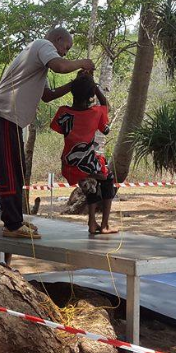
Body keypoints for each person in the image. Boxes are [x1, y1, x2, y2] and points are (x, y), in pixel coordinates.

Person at [0, 27, 95, 239]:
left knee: (16, 168)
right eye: (66, 47)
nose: (64, 53)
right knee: (10, 168)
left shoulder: (38, 62)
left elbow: (47, 95)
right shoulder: (42, 45)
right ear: (57, 39)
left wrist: (75, 83)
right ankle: (12, 224)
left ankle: (15, 219)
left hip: (10, 116)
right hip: (5, 112)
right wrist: (83, 62)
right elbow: (60, 66)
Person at [50, 74, 116, 235]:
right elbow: (106, 114)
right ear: (91, 95)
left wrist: (79, 83)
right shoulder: (95, 113)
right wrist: (95, 87)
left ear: (73, 92)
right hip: (87, 163)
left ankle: (92, 223)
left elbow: (58, 128)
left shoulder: (63, 112)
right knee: (108, 179)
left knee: (92, 183)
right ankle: (105, 224)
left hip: (69, 164)